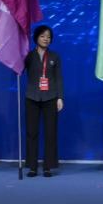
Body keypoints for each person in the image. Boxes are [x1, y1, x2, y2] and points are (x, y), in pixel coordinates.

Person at [23, 25, 63, 177]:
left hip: (50, 98)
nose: (46, 39)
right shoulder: (28, 55)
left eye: (48, 37)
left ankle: (48, 166)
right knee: (31, 133)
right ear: (36, 38)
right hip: (32, 97)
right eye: (42, 36)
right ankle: (32, 167)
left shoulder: (54, 56)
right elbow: (18, 68)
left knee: (50, 133)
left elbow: (58, 78)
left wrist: (60, 97)